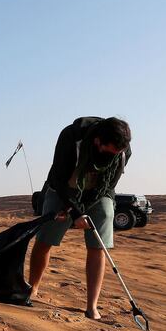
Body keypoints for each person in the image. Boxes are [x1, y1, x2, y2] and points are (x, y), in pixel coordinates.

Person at [28, 116, 132, 319]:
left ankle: (92, 306)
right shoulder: (71, 136)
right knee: (45, 238)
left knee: (98, 245)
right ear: (97, 140)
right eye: (107, 151)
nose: (111, 156)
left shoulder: (123, 151)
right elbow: (58, 178)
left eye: (116, 153)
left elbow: (109, 185)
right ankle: (32, 288)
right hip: (64, 187)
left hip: (99, 192)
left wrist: (85, 208)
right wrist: (74, 211)